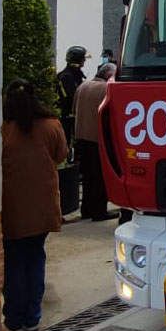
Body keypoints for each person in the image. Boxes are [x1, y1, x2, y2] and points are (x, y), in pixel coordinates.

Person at [1, 79, 68, 331]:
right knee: (35, 258)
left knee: (14, 262)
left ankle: (14, 321)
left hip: (12, 208)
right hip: (42, 207)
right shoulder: (51, 125)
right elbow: (61, 155)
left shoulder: (3, 128)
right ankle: (33, 317)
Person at [73, 63, 119, 221]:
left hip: (81, 138)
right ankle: (99, 211)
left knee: (87, 178)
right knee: (100, 178)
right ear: (108, 75)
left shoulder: (82, 86)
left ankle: (86, 210)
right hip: (97, 140)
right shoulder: (106, 89)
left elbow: (74, 110)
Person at [56, 46, 88, 146]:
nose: (85, 61)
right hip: (67, 116)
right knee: (67, 142)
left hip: (74, 116)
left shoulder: (76, 74)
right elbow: (71, 96)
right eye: (83, 58)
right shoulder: (66, 76)